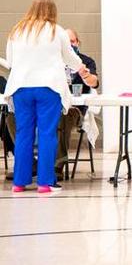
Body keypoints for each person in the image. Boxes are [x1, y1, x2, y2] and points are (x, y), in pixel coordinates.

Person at [4, 0, 86, 193]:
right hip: (49, 88)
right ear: (52, 12)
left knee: (24, 134)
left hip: (21, 88)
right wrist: (81, 68)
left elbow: (10, 61)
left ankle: (19, 182)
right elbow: (70, 58)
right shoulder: (56, 31)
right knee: (47, 133)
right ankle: (45, 182)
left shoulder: (17, 30)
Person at [55, 28, 99, 180]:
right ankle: (31, 163)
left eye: (73, 41)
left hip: (76, 110)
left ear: (78, 42)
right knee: (11, 117)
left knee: (64, 116)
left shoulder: (86, 61)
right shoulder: (54, 61)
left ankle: (57, 165)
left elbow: (94, 83)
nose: (71, 45)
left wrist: (86, 76)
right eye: (67, 43)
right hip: (53, 106)